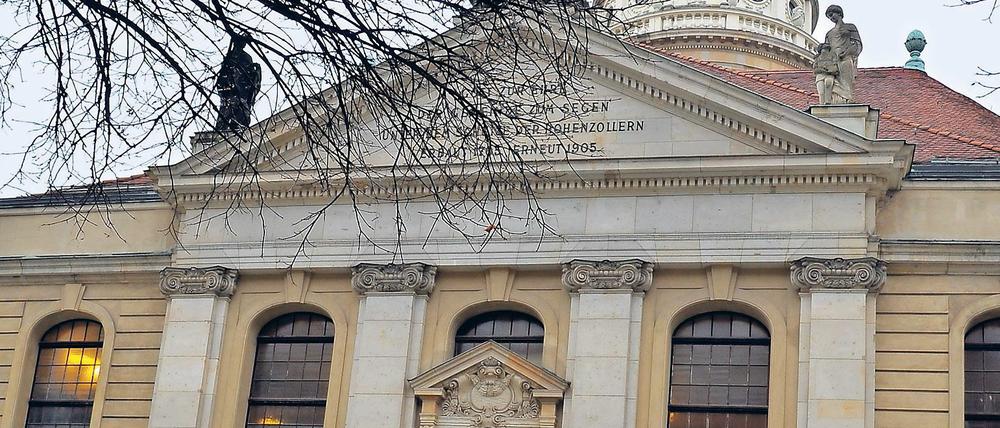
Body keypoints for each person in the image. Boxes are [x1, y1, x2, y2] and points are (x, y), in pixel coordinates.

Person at [819, 5, 862, 104]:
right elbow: (826, 49)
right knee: (834, 83)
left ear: (839, 13)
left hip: (846, 58)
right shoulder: (829, 34)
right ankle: (836, 100)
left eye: (832, 14)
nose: (831, 18)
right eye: (829, 16)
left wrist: (848, 51)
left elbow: (857, 43)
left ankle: (848, 100)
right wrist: (821, 48)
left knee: (847, 81)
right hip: (833, 61)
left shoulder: (850, 27)